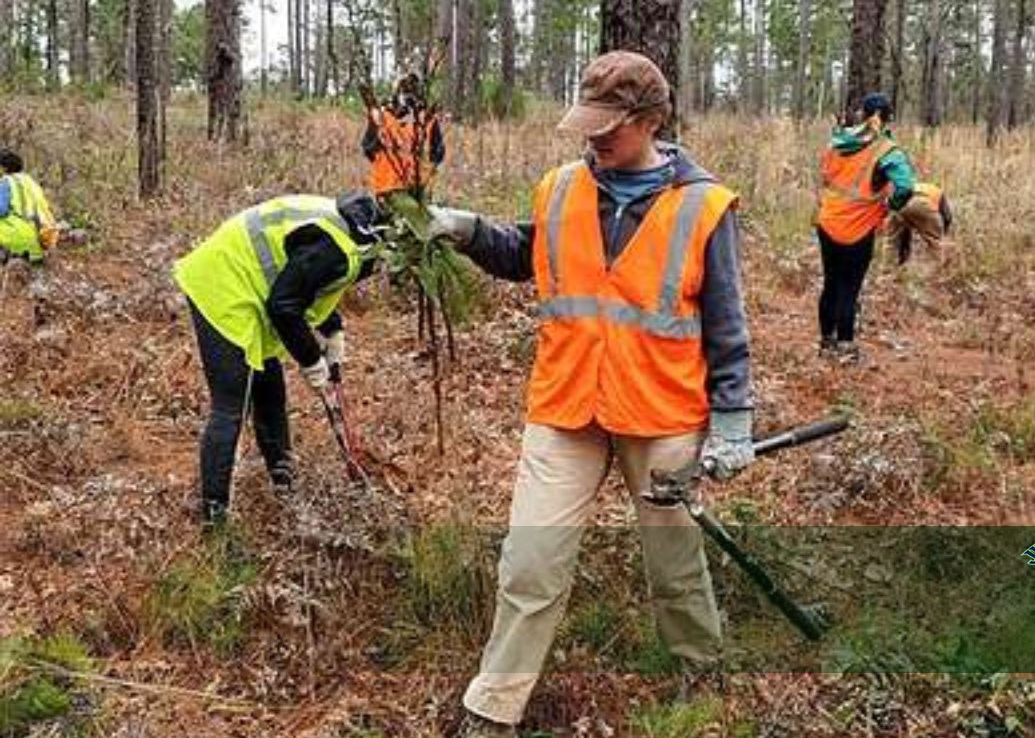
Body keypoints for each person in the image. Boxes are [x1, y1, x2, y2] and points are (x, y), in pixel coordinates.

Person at [426, 50, 754, 737]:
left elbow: (726, 322)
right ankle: (494, 707)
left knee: (673, 561)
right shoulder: (561, 187)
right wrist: (462, 229)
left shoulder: (704, 205)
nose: (594, 140)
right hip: (567, 403)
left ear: (651, 120)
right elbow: (527, 253)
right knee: (530, 561)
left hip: (660, 411)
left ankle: (702, 674)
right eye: (588, 125)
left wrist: (732, 421)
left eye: (609, 128)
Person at [173, 192, 385, 524]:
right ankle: (215, 522)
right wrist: (312, 360)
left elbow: (309, 278)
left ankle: (287, 496)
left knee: (271, 397)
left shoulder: (357, 232)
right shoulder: (341, 247)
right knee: (232, 404)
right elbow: (285, 305)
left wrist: (332, 328)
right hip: (224, 282)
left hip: (252, 287)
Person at [814, 93, 917, 361]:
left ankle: (826, 343)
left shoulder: (838, 140)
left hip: (828, 220)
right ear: (888, 118)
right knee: (849, 287)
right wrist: (889, 205)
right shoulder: (886, 150)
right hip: (858, 227)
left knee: (831, 283)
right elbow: (906, 186)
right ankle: (846, 348)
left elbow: (825, 176)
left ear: (862, 114)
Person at [362, 73, 446, 208]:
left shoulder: (426, 118)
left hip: (417, 188)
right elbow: (368, 147)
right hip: (390, 189)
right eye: (406, 89)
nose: (409, 94)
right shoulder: (382, 116)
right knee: (420, 222)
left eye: (412, 89)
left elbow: (438, 152)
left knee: (430, 221)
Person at [0, 148, 59, 264]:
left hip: (14, 241)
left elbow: (1, 209)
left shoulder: (5, 183)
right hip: (38, 243)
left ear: (4, 168)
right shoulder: (31, 183)